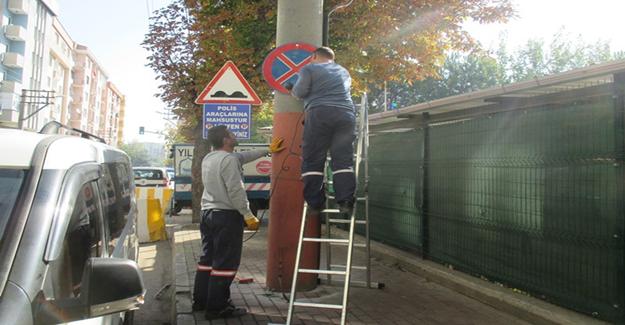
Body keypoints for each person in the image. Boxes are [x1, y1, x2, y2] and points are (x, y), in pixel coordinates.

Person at [192, 125, 283, 320]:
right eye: (232, 134)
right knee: (225, 263)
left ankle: (200, 301)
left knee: (207, 260)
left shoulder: (210, 157)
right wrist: (247, 214)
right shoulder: (229, 160)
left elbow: (244, 157)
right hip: (226, 216)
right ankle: (217, 308)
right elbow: (236, 190)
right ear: (226, 139)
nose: (235, 136)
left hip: (207, 214)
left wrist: (267, 150)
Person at [289, 46, 356, 215]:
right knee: (343, 160)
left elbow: (300, 92)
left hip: (320, 113)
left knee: (313, 158)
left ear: (314, 56)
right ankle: (345, 201)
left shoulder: (310, 68)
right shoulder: (344, 71)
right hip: (346, 115)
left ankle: (315, 204)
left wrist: (291, 88)